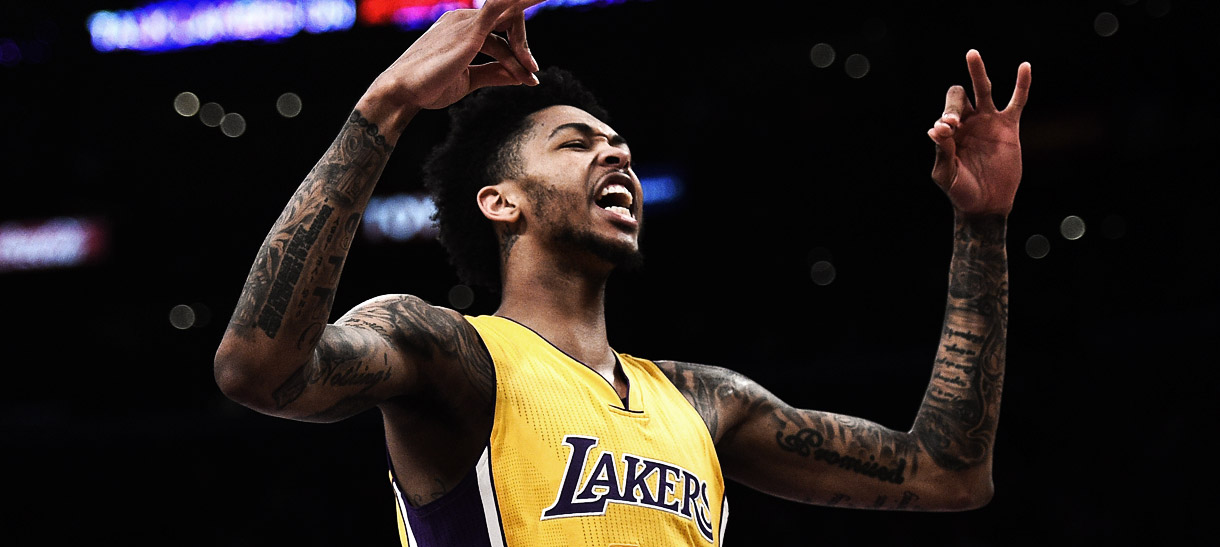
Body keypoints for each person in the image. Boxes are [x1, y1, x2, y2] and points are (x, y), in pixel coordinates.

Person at [213, 0, 1032, 545]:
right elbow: (259, 368)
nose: (618, 155)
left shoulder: (707, 402)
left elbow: (948, 473)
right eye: (577, 143)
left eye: (622, 147)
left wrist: (982, 228)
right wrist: (387, 102)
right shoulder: (449, 354)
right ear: (500, 202)